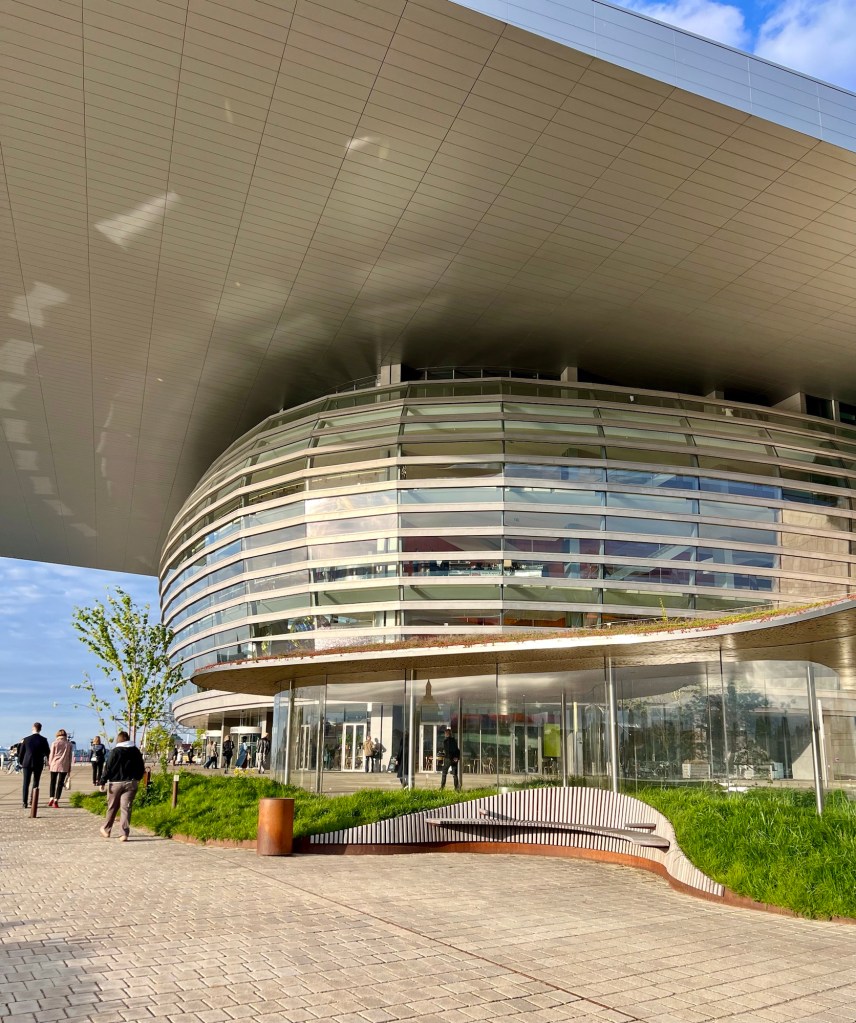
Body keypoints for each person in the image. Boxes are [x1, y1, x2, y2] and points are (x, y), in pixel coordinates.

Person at [99, 730, 145, 841]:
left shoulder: (115, 751)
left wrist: (102, 781)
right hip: (131, 783)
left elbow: (108, 767)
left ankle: (106, 829)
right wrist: (138, 778)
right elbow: (141, 767)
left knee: (112, 807)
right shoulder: (135, 751)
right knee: (126, 808)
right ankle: (124, 834)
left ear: (118, 740)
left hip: (115, 783)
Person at [18, 722, 50, 809]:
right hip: (38, 763)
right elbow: (47, 752)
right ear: (40, 729)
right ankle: (33, 801)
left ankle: (24, 802)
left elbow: (21, 752)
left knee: (26, 783)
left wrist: (20, 762)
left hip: (27, 763)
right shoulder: (44, 740)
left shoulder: (26, 739)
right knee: (36, 783)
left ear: (33, 728)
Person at [47, 729, 73, 808]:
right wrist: (69, 767)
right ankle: (56, 800)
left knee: (53, 781)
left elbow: (51, 755)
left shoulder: (54, 743)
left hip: (54, 764)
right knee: (60, 783)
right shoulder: (69, 744)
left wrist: (49, 764)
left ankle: (51, 798)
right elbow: (70, 757)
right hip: (64, 765)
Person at [440, 727, 461, 791]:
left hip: (448, 758)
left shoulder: (446, 741)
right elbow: (457, 750)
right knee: (455, 774)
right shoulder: (454, 740)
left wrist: (445, 755)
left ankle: (442, 787)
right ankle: (456, 788)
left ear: (446, 734)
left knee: (444, 772)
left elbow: (447, 750)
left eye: (445, 733)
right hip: (454, 758)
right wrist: (457, 758)